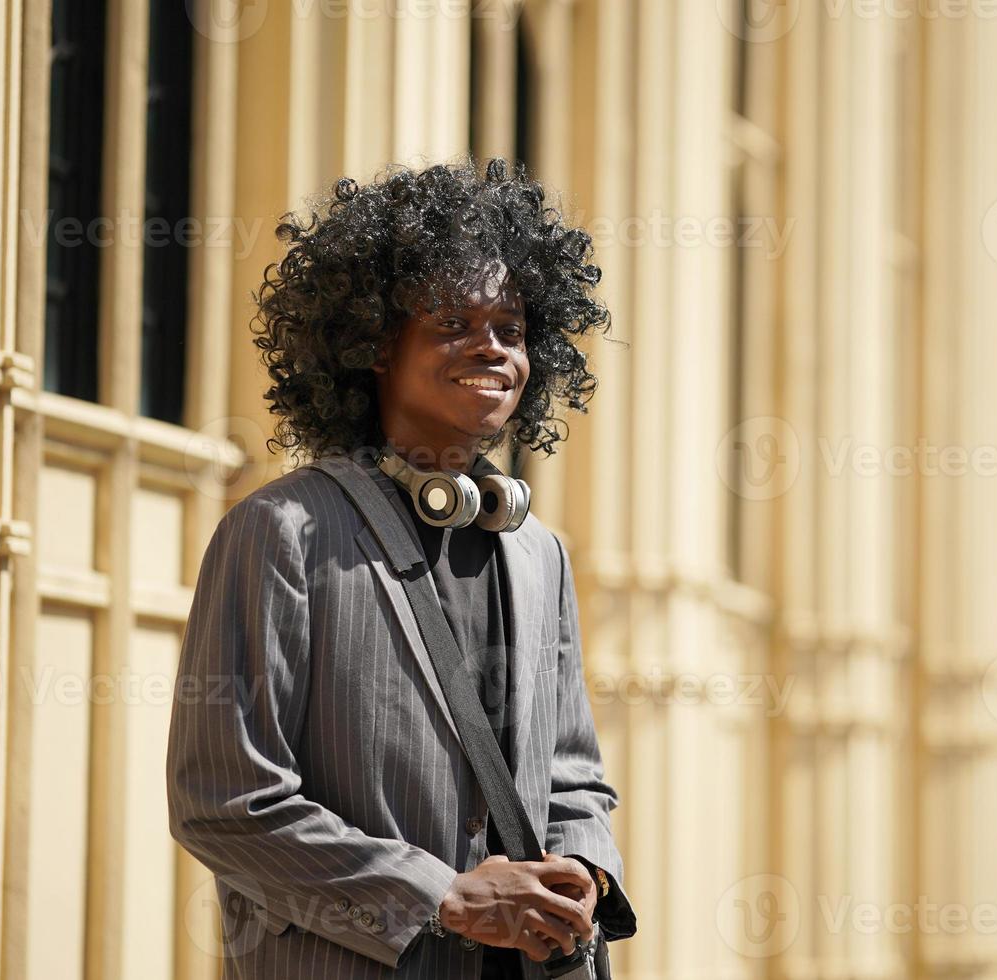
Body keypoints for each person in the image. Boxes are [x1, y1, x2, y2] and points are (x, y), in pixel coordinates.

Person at [166, 158, 635, 979]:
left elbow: (572, 775)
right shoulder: (278, 533)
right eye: (453, 323)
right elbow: (226, 805)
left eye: (513, 329)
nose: (493, 347)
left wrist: (586, 872)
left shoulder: (538, 554)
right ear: (375, 346)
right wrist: (440, 896)